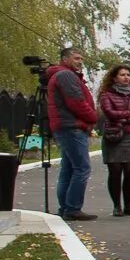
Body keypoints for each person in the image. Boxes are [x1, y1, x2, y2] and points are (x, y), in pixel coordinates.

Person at [46, 46, 99, 221]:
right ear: (65, 59)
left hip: (66, 126)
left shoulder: (62, 75)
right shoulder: (65, 75)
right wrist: (93, 117)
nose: (80, 62)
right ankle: (73, 208)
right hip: (72, 126)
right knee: (82, 168)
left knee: (68, 168)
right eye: (76, 58)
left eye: (81, 59)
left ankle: (66, 207)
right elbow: (76, 102)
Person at [96, 64, 130, 217]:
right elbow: (110, 113)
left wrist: (126, 118)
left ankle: (128, 205)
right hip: (114, 137)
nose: (126, 77)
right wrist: (129, 114)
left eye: (128, 75)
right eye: (122, 75)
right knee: (115, 172)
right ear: (114, 77)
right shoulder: (106, 95)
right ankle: (116, 205)